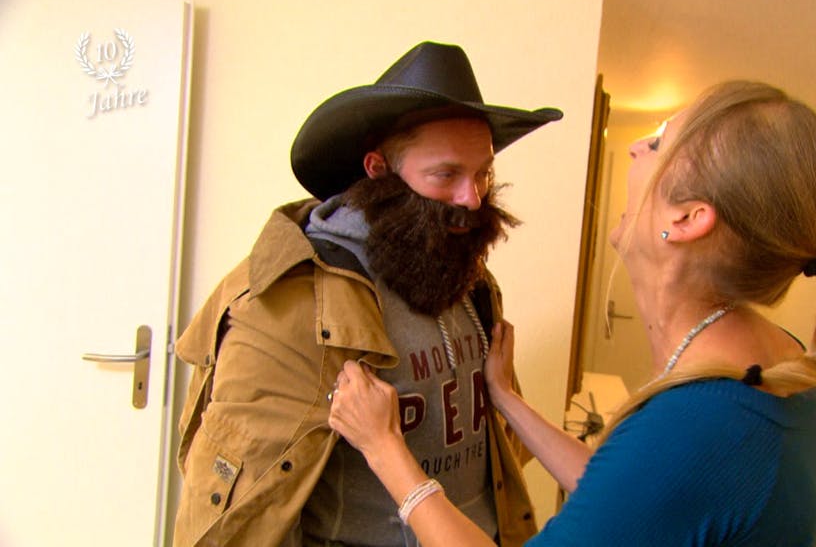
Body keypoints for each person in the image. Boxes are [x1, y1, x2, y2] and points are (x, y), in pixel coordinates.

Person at [327, 80, 816, 546]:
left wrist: (385, 448)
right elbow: (630, 500)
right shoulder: (778, 361)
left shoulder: (700, 423)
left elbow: (664, 469)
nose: (634, 147)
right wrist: (506, 399)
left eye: (657, 143)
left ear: (687, 219)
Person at [172, 41, 562, 546]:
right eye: (446, 174)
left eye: (483, 173)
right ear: (379, 169)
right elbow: (230, 508)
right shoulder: (294, 299)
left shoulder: (465, 274)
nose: (472, 198)